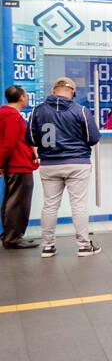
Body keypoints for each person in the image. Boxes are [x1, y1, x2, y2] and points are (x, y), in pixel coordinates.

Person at [27, 77, 100, 258]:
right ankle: (84, 246)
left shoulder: (37, 111)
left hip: (49, 164)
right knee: (79, 205)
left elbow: (30, 138)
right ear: (73, 92)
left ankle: (48, 246)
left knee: (50, 205)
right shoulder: (81, 110)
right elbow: (93, 138)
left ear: (53, 90)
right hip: (77, 163)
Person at [0, 86, 38, 249]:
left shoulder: (7, 114)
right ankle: (13, 237)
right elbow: (8, 144)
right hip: (18, 165)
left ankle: (12, 234)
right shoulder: (12, 116)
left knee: (12, 200)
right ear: (22, 97)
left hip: (17, 164)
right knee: (17, 202)